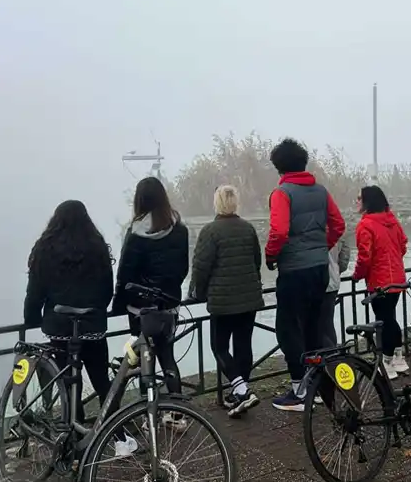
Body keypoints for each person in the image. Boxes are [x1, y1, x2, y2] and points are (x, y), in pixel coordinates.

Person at [265, 138, 346, 412]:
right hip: (319, 269)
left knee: (287, 330)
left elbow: (279, 232)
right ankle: (318, 386)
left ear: (279, 167)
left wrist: (271, 255)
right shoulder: (321, 191)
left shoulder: (282, 193)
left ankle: (299, 390)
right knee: (313, 330)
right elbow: (339, 224)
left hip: (294, 272)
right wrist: (323, 246)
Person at [23, 199, 114, 420]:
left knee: (68, 382)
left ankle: (75, 436)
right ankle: (115, 430)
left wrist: (32, 319)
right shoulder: (97, 246)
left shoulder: (45, 248)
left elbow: (35, 293)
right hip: (92, 325)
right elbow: (107, 290)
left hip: (60, 327)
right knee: (102, 380)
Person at [113, 177, 190, 428]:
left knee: (145, 359)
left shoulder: (136, 232)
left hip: (140, 309)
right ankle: (178, 415)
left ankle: (151, 415)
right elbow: (182, 269)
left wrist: (118, 302)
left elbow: (125, 273)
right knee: (167, 355)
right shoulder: (179, 228)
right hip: (169, 305)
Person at [190, 185, 265, 417]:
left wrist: (197, 294)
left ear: (217, 203)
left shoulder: (210, 231)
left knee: (219, 346)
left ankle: (242, 391)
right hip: (250, 298)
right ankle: (240, 393)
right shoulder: (248, 228)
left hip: (223, 301)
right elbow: (256, 261)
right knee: (244, 346)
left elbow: (201, 267)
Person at [351, 185, 409, 378]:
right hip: (398, 279)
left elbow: (365, 256)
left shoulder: (366, 225)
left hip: (379, 281)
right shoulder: (392, 221)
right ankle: (399, 357)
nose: (357, 201)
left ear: (368, 202)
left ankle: (386, 362)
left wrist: (357, 275)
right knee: (390, 318)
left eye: (359, 198)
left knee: (383, 321)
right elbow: (403, 245)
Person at [321, 234, 352, 348]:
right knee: (327, 323)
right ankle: (332, 355)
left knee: (313, 324)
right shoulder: (336, 225)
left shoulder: (304, 224)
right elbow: (344, 257)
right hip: (332, 281)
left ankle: (321, 357)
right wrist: (336, 270)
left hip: (310, 281)